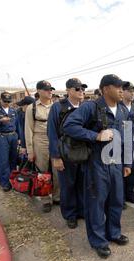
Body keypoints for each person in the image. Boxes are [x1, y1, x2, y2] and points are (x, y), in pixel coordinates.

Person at [63, 74, 131, 259]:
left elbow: (127, 138)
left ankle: (114, 233)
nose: (121, 90)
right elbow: (69, 126)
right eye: (117, 87)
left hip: (116, 163)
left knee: (116, 201)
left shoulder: (123, 110)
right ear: (106, 88)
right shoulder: (90, 107)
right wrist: (95, 136)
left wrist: (128, 162)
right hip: (96, 164)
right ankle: (99, 241)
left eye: (122, 87)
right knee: (96, 204)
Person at [47, 78, 87, 229]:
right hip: (66, 152)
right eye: (77, 89)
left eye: (82, 88)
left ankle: (82, 210)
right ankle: (70, 214)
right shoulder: (58, 107)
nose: (81, 91)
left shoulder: (86, 107)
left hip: (83, 152)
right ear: (68, 90)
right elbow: (51, 133)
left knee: (82, 183)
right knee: (68, 185)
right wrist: (56, 157)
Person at [25, 80, 60, 212]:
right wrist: (30, 150)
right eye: (46, 89)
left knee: (57, 170)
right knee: (43, 172)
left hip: (55, 140)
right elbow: (28, 129)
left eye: (51, 89)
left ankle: (57, 196)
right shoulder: (32, 108)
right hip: (40, 141)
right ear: (39, 91)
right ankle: (45, 199)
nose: (50, 91)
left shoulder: (56, 106)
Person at [121, 81, 134, 205]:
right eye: (130, 91)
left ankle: (130, 193)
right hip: (121, 143)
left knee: (133, 170)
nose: (133, 93)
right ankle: (121, 197)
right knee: (121, 171)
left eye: (133, 91)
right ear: (122, 92)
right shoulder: (117, 106)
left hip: (133, 142)